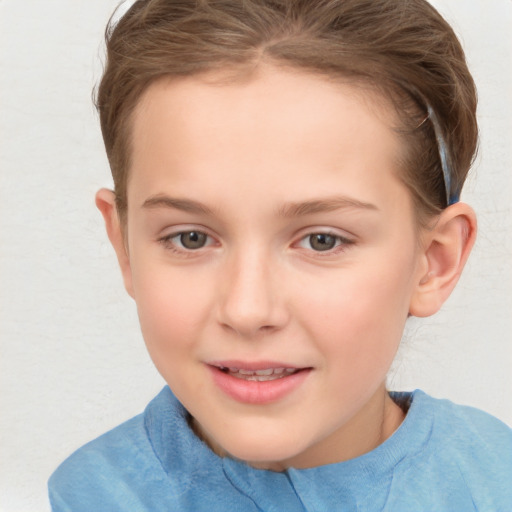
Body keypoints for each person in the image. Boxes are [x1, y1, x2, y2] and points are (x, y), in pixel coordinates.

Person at [48, 0, 512, 510]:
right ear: (125, 248)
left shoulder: (496, 479)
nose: (248, 310)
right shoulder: (92, 496)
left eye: (322, 240)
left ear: (434, 261)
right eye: (191, 238)